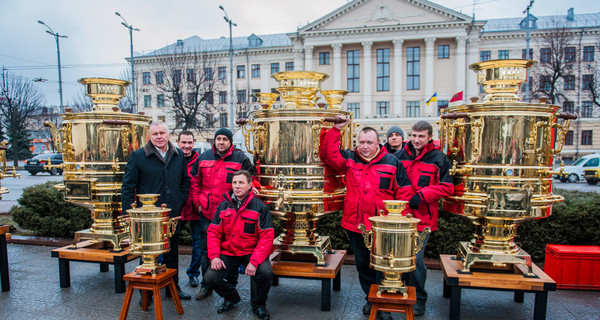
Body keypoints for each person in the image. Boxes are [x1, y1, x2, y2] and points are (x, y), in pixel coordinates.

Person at [320, 116, 412, 320]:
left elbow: (404, 192)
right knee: (363, 264)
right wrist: (336, 130)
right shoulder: (349, 159)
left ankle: (383, 304)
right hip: (357, 224)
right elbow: (328, 155)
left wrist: (399, 221)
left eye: (369, 142)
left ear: (378, 143)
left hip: (384, 227)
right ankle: (370, 299)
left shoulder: (393, 162)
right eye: (361, 142)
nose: (365, 146)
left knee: (384, 265)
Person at [121, 121, 192, 300]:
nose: (159, 137)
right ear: (149, 137)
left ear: (168, 135)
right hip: (147, 217)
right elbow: (128, 187)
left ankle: (173, 289)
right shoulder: (138, 156)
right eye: (155, 134)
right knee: (147, 254)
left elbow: (185, 181)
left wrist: (180, 200)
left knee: (172, 253)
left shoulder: (178, 155)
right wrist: (129, 213)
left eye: (162, 133)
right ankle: (145, 293)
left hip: (172, 214)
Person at [188, 127, 256, 300]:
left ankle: (230, 285)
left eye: (225, 139)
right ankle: (206, 285)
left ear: (230, 142)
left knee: (232, 249)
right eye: (218, 139)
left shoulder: (241, 159)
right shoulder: (203, 158)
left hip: (231, 214)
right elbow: (195, 182)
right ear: (214, 141)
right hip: (208, 212)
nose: (221, 142)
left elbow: (251, 182)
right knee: (205, 251)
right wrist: (198, 203)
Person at [395, 121, 454, 316]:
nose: (417, 140)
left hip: (423, 220)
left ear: (430, 137)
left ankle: (419, 299)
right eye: (414, 135)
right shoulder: (399, 156)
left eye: (421, 136)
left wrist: (421, 195)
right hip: (400, 218)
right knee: (399, 258)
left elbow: (447, 187)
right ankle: (401, 291)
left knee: (416, 259)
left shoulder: (439, 158)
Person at [204, 170, 274, 320]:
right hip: (229, 252)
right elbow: (213, 233)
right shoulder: (224, 206)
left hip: (251, 252)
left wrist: (254, 262)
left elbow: (266, 238)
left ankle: (259, 304)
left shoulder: (260, 207)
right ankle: (231, 297)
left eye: (241, 183)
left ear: (250, 185)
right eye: (234, 183)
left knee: (266, 272)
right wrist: (215, 257)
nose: (237, 186)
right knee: (210, 277)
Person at [177, 131, 202, 288]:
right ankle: (166, 273)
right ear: (178, 142)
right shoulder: (172, 159)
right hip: (177, 208)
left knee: (198, 244)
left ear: (194, 143)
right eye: (183, 142)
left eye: (189, 142)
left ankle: (193, 274)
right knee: (169, 243)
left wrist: (200, 203)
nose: (186, 146)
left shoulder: (199, 160)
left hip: (195, 208)